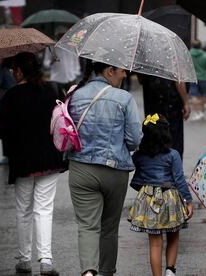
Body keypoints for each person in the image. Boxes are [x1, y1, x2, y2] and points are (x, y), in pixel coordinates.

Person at [67, 60, 142, 276]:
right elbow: (134, 140)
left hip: (81, 169)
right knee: (109, 227)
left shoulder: (75, 94)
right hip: (114, 171)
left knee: (87, 226)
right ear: (110, 70)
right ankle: (106, 272)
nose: (125, 75)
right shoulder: (124, 98)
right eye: (122, 70)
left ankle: (88, 272)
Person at [0, 52, 67, 276]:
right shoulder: (52, 90)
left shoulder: (11, 96)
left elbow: (2, 133)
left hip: (23, 161)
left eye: (13, 69)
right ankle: (45, 259)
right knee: (44, 209)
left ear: (19, 71)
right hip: (49, 158)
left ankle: (24, 259)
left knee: (24, 210)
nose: (11, 73)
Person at [128, 114, 193, 276]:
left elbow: (135, 172)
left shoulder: (139, 156)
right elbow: (179, 180)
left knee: (155, 244)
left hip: (149, 198)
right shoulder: (173, 155)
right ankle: (170, 269)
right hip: (170, 197)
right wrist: (188, 200)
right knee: (173, 235)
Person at [139, 75, 190, 158]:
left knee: (153, 136)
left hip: (152, 103)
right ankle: (172, 165)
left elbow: (141, 79)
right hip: (170, 104)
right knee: (174, 140)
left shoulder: (147, 63)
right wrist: (186, 102)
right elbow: (179, 80)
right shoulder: (174, 62)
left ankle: (154, 164)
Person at [43, 27, 81, 95]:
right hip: (57, 78)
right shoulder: (51, 47)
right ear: (56, 35)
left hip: (70, 78)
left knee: (71, 99)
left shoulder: (72, 46)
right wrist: (51, 61)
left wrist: (76, 73)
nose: (61, 36)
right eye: (59, 35)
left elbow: (75, 61)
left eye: (63, 34)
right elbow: (45, 64)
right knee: (58, 100)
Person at [0, 58, 16, 166]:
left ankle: (7, 156)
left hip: (5, 102)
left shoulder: (2, 70)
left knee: (5, 128)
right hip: (15, 102)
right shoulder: (14, 70)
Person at [189, 39, 206, 121]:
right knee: (203, 95)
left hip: (193, 78)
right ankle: (202, 112)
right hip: (203, 78)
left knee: (193, 96)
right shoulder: (205, 56)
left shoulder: (189, 54)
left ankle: (195, 113)